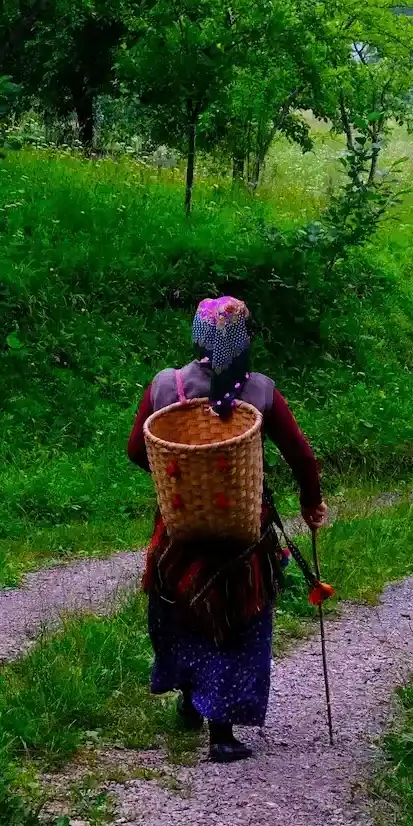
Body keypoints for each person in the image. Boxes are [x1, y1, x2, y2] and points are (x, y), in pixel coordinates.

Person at [125, 296, 326, 763]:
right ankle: (221, 731)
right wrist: (311, 504)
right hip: (242, 533)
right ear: (244, 340)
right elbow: (302, 457)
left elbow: (138, 449)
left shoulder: (163, 386)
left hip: (180, 526)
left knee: (181, 607)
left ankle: (191, 696)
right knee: (238, 619)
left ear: (199, 336)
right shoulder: (260, 391)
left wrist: (180, 473)